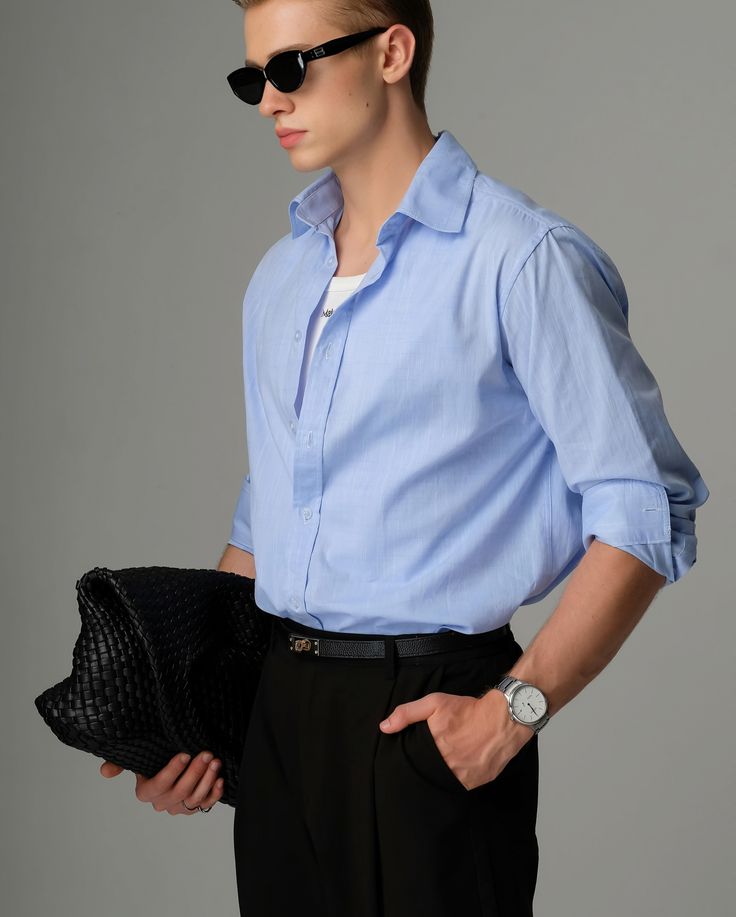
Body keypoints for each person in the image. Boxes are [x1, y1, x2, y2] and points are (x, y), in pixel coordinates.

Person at [101, 1, 710, 915]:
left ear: (391, 52)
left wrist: (513, 713)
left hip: (427, 711)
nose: (269, 100)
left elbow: (645, 505)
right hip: (278, 713)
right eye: (252, 77)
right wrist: (186, 720)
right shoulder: (280, 280)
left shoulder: (520, 258)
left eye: (291, 67)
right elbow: (267, 520)